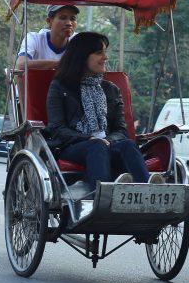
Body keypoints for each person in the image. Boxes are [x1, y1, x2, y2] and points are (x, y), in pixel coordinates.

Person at [46, 32, 159, 192]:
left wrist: (109, 141)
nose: (105, 57)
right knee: (96, 146)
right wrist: (90, 138)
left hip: (107, 144)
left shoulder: (111, 89)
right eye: (99, 53)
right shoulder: (60, 87)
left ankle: (148, 191)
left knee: (128, 145)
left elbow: (121, 130)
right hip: (73, 146)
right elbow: (57, 128)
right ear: (82, 57)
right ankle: (102, 195)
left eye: (105, 52)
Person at [15, 4, 79, 70]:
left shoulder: (79, 41)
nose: (69, 23)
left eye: (73, 19)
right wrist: (61, 64)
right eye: (63, 18)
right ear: (49, 21)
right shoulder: (34, 39)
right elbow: (21, 64)